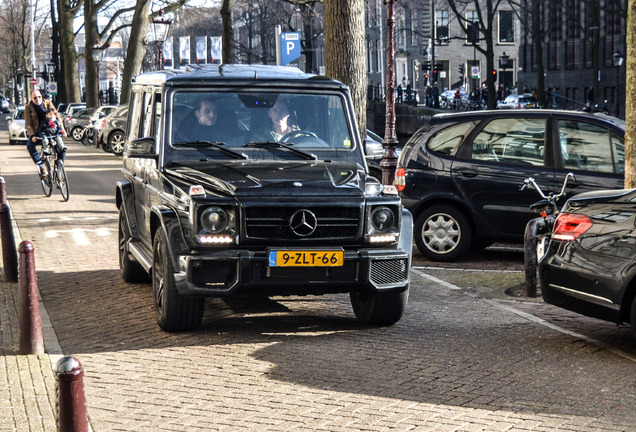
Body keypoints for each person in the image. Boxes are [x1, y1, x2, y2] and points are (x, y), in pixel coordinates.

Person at [24, 89, 66, 177]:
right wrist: (32, 135)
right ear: (31, 99)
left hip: (51, 132)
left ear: (41, 96)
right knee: (30, 145)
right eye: (35, 97)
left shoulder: (48, 103)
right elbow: (28, 124)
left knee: (61, 147)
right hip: (39, 133)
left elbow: (57, 116)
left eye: (39, 96)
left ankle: (60, 169)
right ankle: (41, 165)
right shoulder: (28, 108)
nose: (37, 99)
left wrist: (62, 130)